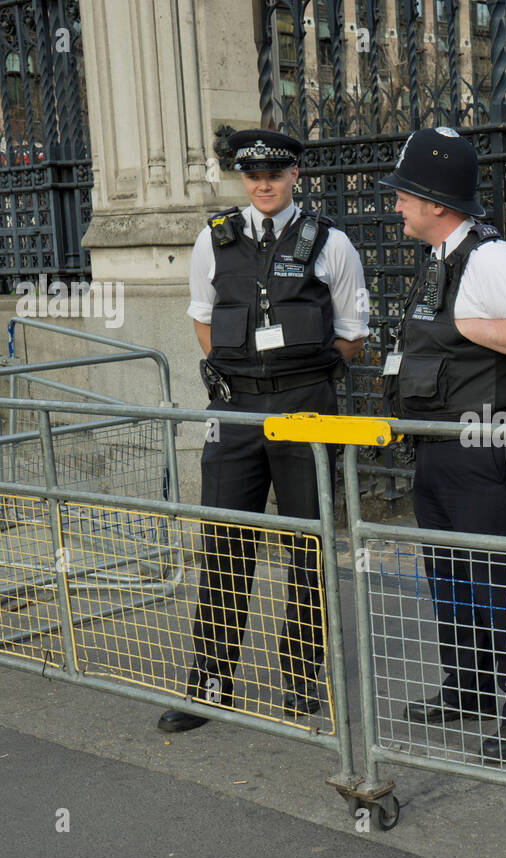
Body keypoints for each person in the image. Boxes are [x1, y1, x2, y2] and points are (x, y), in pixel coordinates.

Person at [157, 128, 368, 733]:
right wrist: (237, 372)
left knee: (309, 543)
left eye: (274, 173)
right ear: (241, 180)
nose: (264, 184)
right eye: (252, 176)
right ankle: (210, 681)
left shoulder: (331, 244)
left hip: (306, 410)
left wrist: (300, 374)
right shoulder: (213, 239)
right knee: (223, 542)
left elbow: (352, 333)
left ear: (295, 174)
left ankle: (302, 678)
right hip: (238, 410)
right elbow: (202, 318)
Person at [380, 127, 506, 761]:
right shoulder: (439, 259)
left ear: (436, 201)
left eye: (404, 194)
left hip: (487, 444)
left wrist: (467, 325)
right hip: (441, 445)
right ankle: (471, 685)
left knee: (501, 580)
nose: (395, 205)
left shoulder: (491, 257)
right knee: (452, 577)